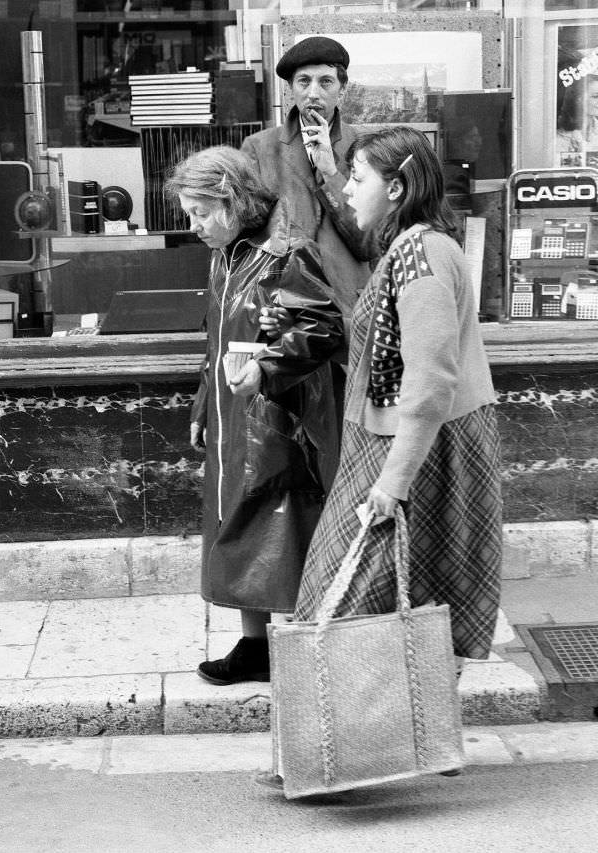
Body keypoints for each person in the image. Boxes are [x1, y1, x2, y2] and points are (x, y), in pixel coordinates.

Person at [294, 126, 503, 668]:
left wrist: (393, 482)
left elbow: (431, 380)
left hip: (418, 452)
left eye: (356, 178)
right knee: (389, 604)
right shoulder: (412, 249)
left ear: (396, 188)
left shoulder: (422, 257)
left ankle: (385, 734)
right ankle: (397, 733)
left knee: (352, 601)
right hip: (405, 443)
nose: (344, 191)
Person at [165, 146, 344, 686]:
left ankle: (301, 644)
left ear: (234, 201)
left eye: (201, 212)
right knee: (236, 522)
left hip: (278, 414)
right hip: (231, 410)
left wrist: (269, 368)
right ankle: (256, 644)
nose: (194, 226)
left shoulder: (286, 254)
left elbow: (321, 327)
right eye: (188, 214)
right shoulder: (228, 256)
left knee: (280, 522)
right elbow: (214, 341)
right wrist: (202, 403)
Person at [242, 36, 377, 322]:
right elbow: (248, 238)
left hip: (352, 308)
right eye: (304, 82)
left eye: (325, 82)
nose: (313, 93)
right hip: (285, 309)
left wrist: (330, 172)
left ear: (342, 89)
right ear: (291, 89)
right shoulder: (259, 148)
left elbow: (369, 244)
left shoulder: (366, 146)